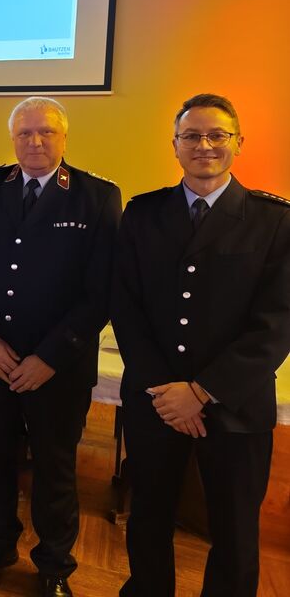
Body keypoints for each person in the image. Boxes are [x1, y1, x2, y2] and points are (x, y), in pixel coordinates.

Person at [112, 93, 290, 597]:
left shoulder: (275, 220)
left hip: (235, 403)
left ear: (238, 143)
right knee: (148, 515)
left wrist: (202, 391)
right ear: (175, 145)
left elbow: (277, 322)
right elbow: (125, 305)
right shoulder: (143, 213)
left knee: (234, 528)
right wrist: (167, 390)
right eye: (192, 136)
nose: (204, 145)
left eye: (217, 135)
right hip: (156, 401)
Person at [0, 96, 121, 597]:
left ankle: (55, 563)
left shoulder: (97, 196)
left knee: (55, 465)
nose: (35, 142)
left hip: (58, 368)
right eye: (25, 133)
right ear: (12, 138)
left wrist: (49, 357)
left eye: (46, 132)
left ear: (64, 137)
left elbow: (101, 291)